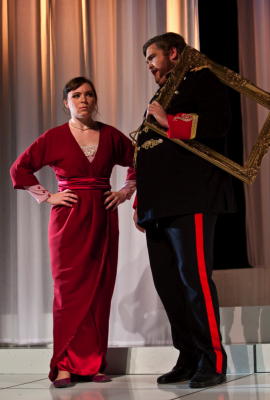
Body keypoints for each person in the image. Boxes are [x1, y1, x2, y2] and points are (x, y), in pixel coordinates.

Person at [10, 76, 135, 388]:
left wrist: (125, 191)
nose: (84, 100)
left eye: (89, 94)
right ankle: (64, 364)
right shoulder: (54, 137)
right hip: (69, 221)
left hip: (104, 219)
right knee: (69, 291)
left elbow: (140, 161)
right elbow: (19, 169)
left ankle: (94, 363)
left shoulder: (110, 136)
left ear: (95, 100)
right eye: (76, 95)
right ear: (65, 102)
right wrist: (46, 195)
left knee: (100, 289)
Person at [133, 33, 236, 388]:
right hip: (157, 207)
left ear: (173, 53)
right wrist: (140, 202)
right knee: (170, 286)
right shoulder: (158, 97)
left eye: (152, 56)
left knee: (194, 281)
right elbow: (148, 152)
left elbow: (218, 126)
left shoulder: (202, 79)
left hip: (191, 198)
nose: (148, 64)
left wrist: (167, 121)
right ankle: (189, 355)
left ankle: (213, 359)